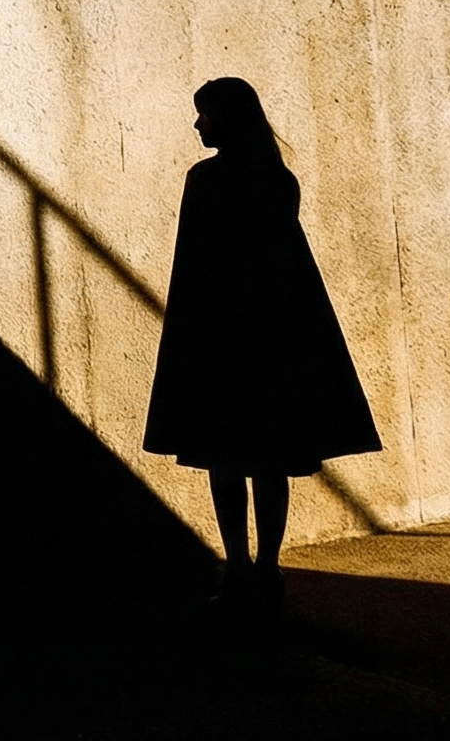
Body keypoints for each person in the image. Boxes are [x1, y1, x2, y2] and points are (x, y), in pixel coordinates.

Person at [144, 78, 380, 612]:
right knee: (270, 460)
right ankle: (267, 569)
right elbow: (283, 271)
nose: (198, 125)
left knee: (224, 459)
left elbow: (196, 268)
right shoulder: (278, 179)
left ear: (227, 118)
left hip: (221, 342)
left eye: (204, 114)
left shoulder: (205, 180)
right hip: (274, 343)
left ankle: (238, 567)